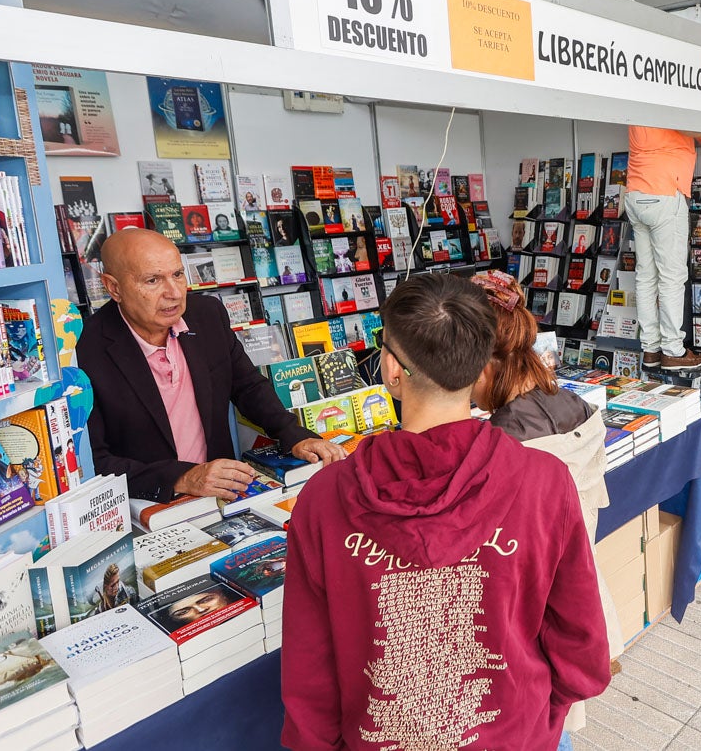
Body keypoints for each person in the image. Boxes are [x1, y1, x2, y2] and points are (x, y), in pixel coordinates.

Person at [281, 273, 610, 751]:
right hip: (517, 734)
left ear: (392, 370)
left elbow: (310, 664)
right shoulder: (543, 481)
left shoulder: (324, 498)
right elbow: (581, 645)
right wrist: (539, 716)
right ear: (481, 369)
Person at [79, 229, 342, 503]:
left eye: (178, 275)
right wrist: (181, 477)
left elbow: (248, 386)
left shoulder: (206, 315)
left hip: (222, 496)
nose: (173, 293)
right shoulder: (86, 350)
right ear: (114, 288)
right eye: (153, 280)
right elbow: (94, 459)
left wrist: (294, 435)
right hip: (147, 506)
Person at [469, 271, 621, 740]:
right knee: (558, 724)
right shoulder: (569, 401)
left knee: (545, 725)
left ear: (485, 364)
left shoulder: (503, 446)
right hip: (576, 608)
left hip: (525, 630)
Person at [625, 126, 701, 371]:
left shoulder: (637, 100)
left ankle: (650, 349)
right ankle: (673, 350)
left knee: (645, 276)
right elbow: (682, 121)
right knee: (672, 276)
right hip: (663, 190)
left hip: (635, 192)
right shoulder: (663, 98)